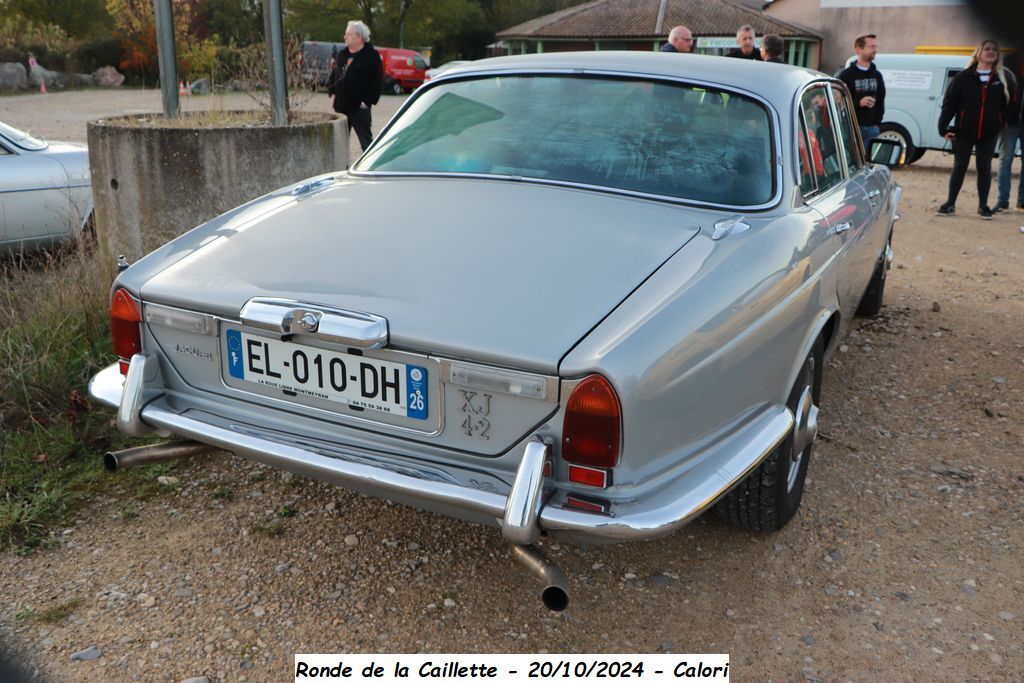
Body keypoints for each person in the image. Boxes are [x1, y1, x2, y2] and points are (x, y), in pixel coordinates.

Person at [937, 39, 1012, 219]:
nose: (991, 52)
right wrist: (944, 127)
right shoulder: (963, 77)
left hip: (989, 133)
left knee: (984, 167)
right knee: (960, 165)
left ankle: (983, 206)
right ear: (978, 52)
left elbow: (1009, 104)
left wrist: (1003, 122)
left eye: (994, 49)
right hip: (964, 131)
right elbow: (949, 104)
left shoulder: (1002, 78)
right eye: (987, 49)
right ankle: (950, 203)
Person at [328, 20, 383, 152]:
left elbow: (377, 81)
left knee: (366, 142)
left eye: (349, 34)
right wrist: (332, 94)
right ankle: (342, 168)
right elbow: (334, 76)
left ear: (360, 37)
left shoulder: (372, 56)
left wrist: (367, 102)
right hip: (341, 106)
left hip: (360, 107)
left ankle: (371, 168)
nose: (345, 37)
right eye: (345, 34)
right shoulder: (342, 54)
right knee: (339, 142)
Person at [837, 34, 885, 150]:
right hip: (851, 128)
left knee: (868, 164)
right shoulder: (846, 75)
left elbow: (881, 101)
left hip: (872, 129)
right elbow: (839, 102)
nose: (875, 50)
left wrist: (877, 124)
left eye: (875, 47)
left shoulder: (877, 75)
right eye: (871, 47)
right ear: (858, 49)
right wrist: (859, 103)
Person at [995, 48, 1023, 212]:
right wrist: (1002, 117)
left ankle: (1022, 201)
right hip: (1009, 122)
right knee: (1005, 160)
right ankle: (1002, 200)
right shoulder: (1009, 60)